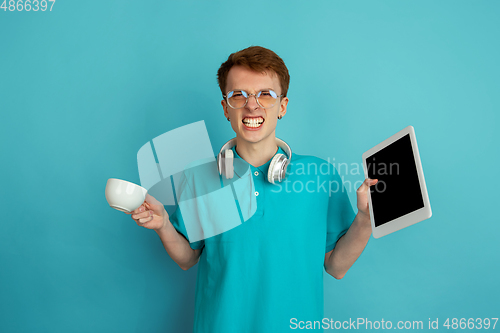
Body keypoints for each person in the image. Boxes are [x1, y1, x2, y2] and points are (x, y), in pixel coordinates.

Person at [127, 46, 378, 332]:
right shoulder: (200, 177)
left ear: (282, 106)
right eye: (239, 95)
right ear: (225, 108)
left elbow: (336, 267)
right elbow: (188, 258)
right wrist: (162, 225)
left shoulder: (320, 175)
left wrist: (365, 219)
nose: (252, 106)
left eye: (265, 95)